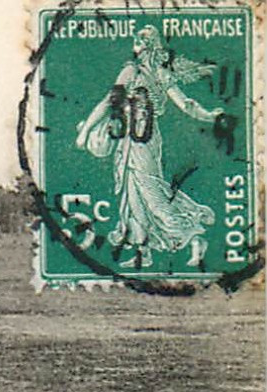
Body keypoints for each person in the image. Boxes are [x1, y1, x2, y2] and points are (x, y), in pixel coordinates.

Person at [74, 26, 222, 270]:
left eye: (140, 39)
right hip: (140, 138)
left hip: (140, 139)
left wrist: (85, 131)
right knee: (134, 197)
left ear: (146, 45)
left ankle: (191, 232)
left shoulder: (134, 71)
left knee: (149, 194)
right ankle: (144, 253)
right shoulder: (154, 73)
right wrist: (209, 116)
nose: (136, 42)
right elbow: (186, 104)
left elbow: (108, 102)